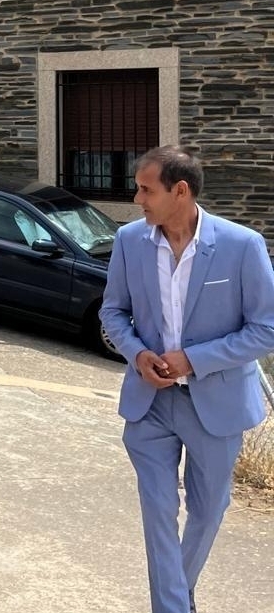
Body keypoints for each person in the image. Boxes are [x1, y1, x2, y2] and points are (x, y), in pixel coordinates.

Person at [100, 146, 274, 613]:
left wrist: (192, 360)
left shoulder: (242, 245)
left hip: (216, 405)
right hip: (149, 404)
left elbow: (267, 328)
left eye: (145, 189)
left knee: (208, 510)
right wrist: (138, 355)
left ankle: (179, 591)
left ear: (180, 191)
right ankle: (173, 606)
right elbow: (113, 311)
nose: (136, 198)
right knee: (158, 513)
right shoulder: (129, 241)